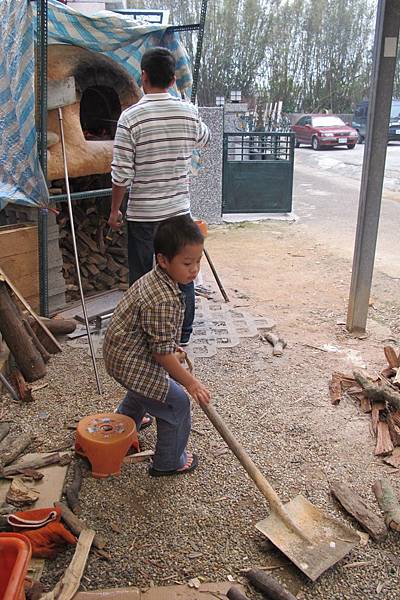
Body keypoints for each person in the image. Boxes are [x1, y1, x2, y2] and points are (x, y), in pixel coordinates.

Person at [108, 47, 210, 346]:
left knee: (143, 280)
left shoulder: (131, 118)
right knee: (185, 273)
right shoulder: (188, 111)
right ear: (172, 79)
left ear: (144, 76)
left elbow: (121, 175)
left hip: (144, 216)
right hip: (178, 212)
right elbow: (205, 138)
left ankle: (146, 340)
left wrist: (115, 211)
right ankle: (181, 339)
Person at [103, 215, 210, 476]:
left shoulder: (159, 279)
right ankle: (168, 462)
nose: (194, 269)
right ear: (163, 260)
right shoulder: (161, 299)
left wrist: (171, 347)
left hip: (122, 354)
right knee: (176, 403)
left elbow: (157, 338)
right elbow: (160, 354)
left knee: (147, 387)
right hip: (130, 361)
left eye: (198, 261)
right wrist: (190, 383)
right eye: (187, 263)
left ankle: (127, 421)